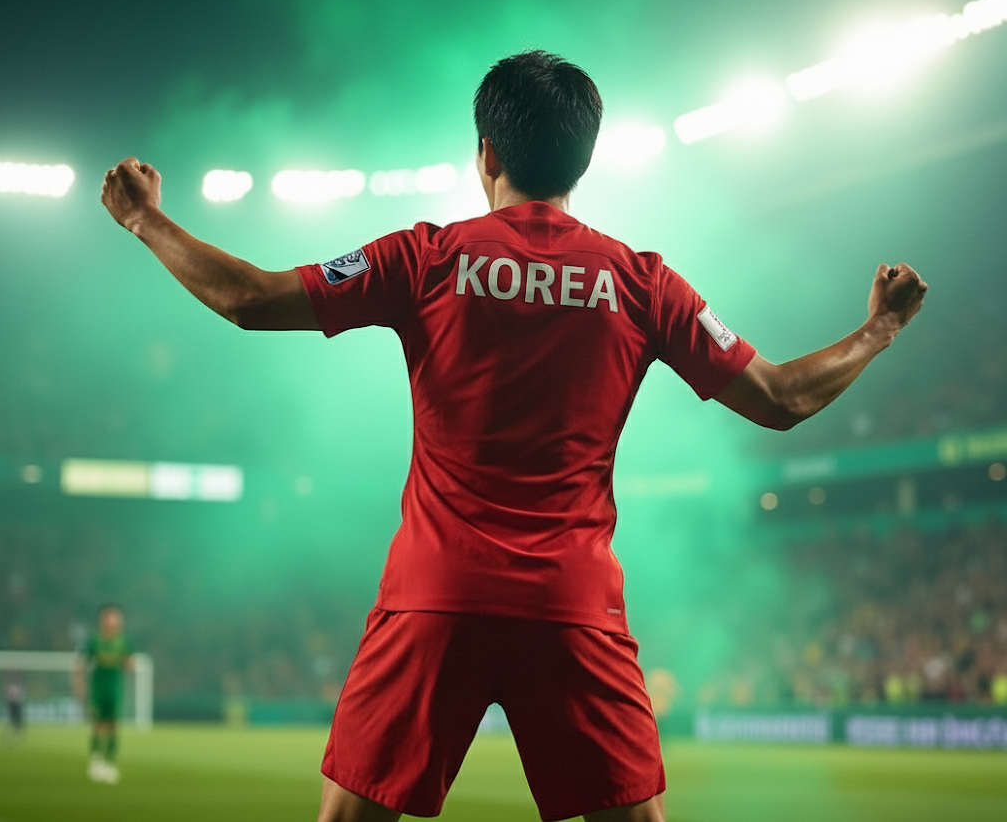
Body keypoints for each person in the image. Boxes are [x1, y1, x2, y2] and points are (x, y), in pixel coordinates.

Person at [100, 50, 927, 822]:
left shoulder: (425, 256)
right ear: (583, 163)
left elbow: (249, 298)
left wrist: (145, 220)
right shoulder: (642, 281)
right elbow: (782, 397)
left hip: (433, 596)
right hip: (572, 607)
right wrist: (880, 328)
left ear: (486, 153)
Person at [74, 604, 135, 784]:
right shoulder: (94, 641)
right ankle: (95, 761)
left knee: (114, 725)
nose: (112, 621)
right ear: (102, 620)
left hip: (115, 689)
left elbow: (130, 664)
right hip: (98, 689)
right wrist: (79, 686)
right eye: (108, 617)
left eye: (115, 617)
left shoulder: (123, 641)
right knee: (98, 725)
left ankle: (110, 762)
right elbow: (80, 664)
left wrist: (131, 663)